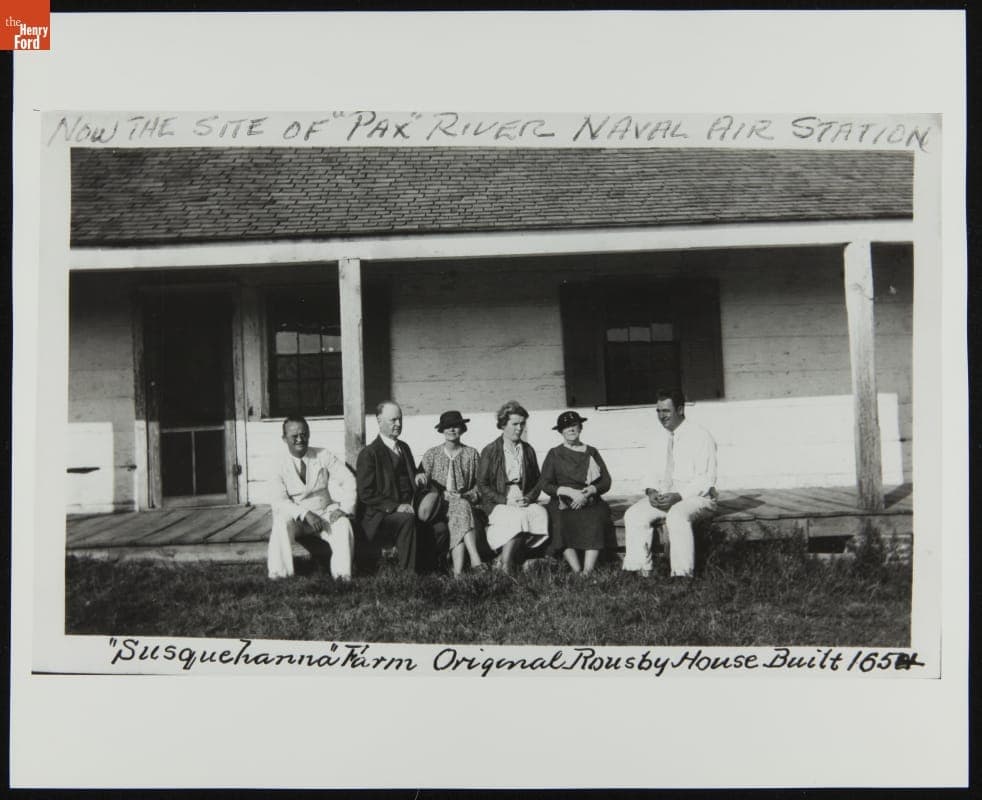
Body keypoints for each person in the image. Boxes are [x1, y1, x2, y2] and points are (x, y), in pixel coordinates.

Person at [622, 388, 718, 578]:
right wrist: (651, 492)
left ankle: (682, 574)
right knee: (634, 514)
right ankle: (639, 569)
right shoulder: (658, 437)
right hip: (667, 495)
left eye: (666, 411)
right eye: (658, 411)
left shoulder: (700, 436)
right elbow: (650, 471)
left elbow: (705, 479)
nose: (661, 416)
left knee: (677, 514)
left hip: (697, 498)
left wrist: (679, 496)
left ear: (680, 409)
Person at [356, 400, 448, 573]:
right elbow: (366, 493)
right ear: (379, 421)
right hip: (382, 515)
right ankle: (408, 577)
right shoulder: (369, 453)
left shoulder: (404, 448)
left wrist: (418, 476)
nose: (398, 424)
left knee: (440, 528)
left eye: (400, 420)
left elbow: (409, 477)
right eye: (393, 420)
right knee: (407, 520)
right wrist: (397, 507)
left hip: (409, 508)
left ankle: (430, 571)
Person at [267, 415, 356, 581]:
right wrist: (305, 514)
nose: (300, 439)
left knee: (343, 524)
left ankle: (342, 576)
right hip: (296, 518)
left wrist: (344, 508)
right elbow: (278, 501)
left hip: (323, 513)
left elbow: (349, 479)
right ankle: (279, 576)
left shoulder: (323, 455)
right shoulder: (277, 463)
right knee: (280, 522)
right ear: (284, 439)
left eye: (304, 434)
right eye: (294, 436)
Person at [476, 400, 549, 575]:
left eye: (522, 424)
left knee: (540, 513)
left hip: (522, 496)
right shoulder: (491, 450)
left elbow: (539, 481)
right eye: (514, 424)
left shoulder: (527, 449)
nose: (519, 428)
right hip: (498, 499)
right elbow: (482, 484)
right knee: (516, 518)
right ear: (503, 425)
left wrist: (529, 498)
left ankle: (502, 559)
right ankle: (507, 565)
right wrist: (505, 500)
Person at [539, 411, 613, 576]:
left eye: (574, 425)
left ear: (580, 427)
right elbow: (545, 483)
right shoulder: (555, 453)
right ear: (560, 431)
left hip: (589, 498)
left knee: (595, 516)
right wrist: (567, 491)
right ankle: (576, 569)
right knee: (559, 518)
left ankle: (587, 571)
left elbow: (606, 481)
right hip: (563, 500)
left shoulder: (591, 452)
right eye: (566, 427)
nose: (571, 429)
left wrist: (590, 491)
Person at [420, 410, 484, 577]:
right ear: (441, 430)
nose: (451, 430)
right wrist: (440, 495)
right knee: (460, 508)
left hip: (465, 502)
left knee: (461, 506)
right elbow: (423, 485)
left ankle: (457, 573)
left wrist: (467, 496)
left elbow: (481, 485)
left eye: (455, 426)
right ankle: (475, 558)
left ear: (462, 429)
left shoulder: (472, 454)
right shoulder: (431, 454)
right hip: (440, 505)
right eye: (447, 427)